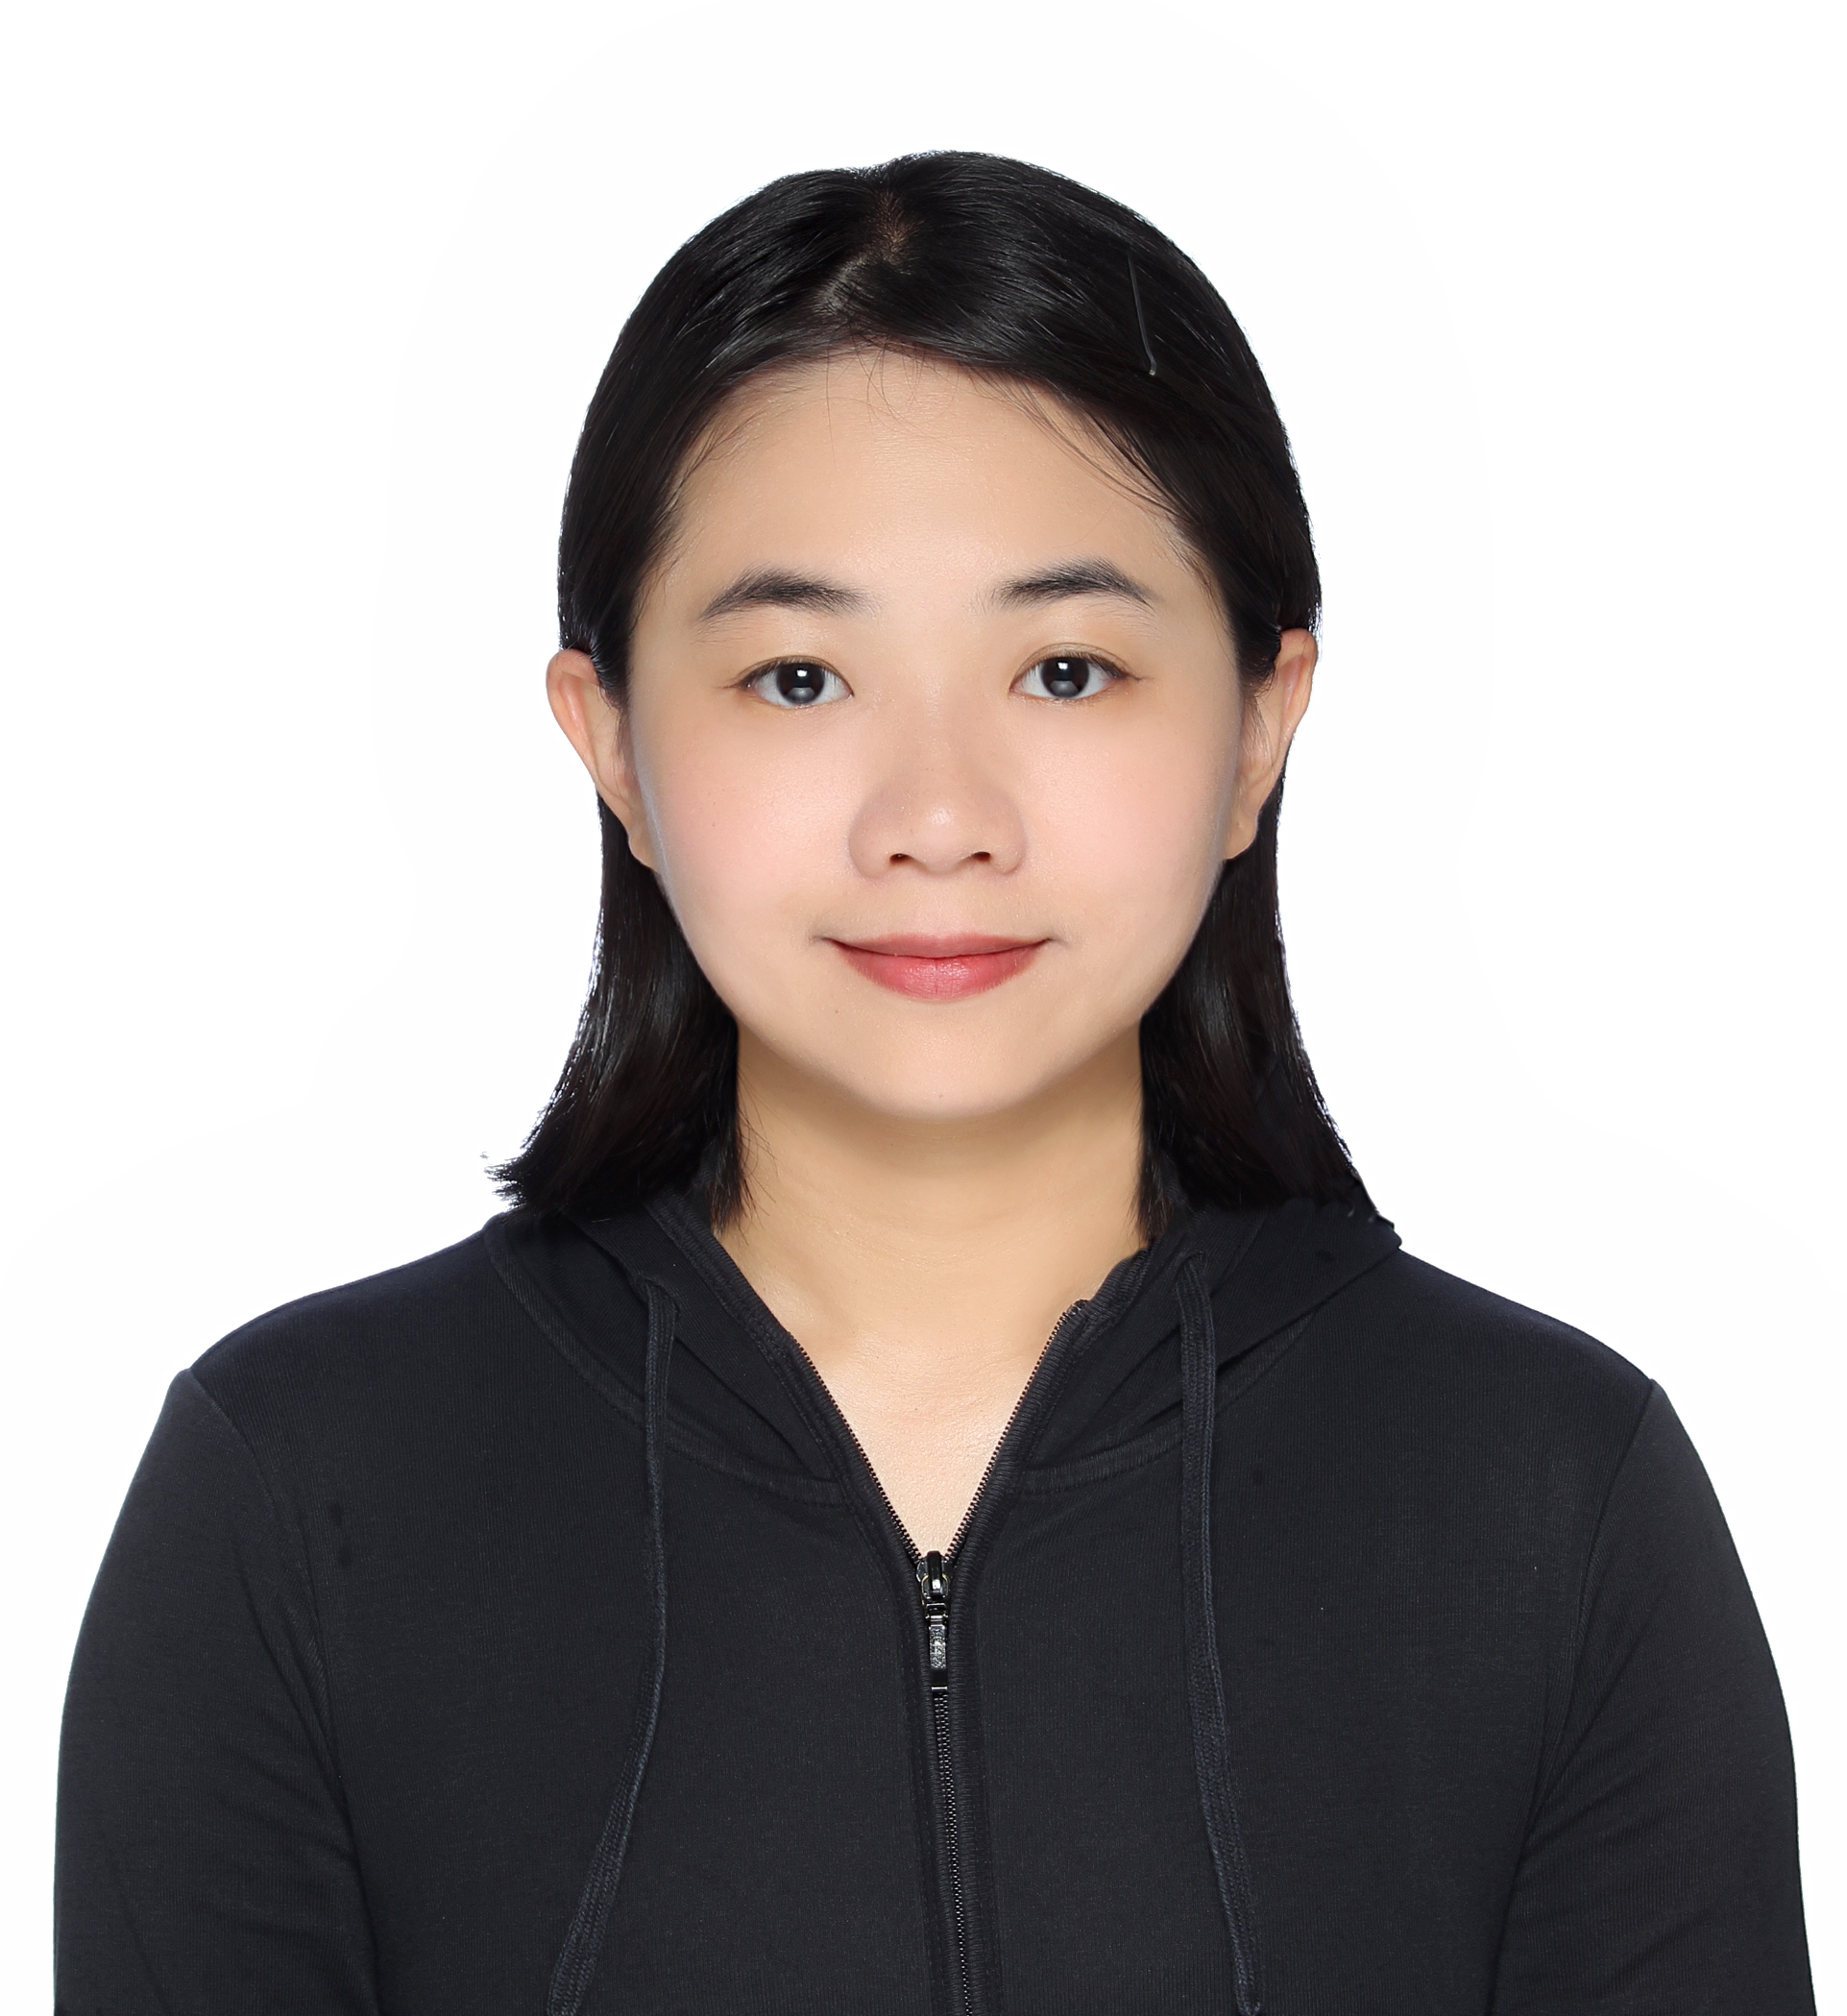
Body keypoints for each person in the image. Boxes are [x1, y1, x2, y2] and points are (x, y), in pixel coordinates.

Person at [54, 153, 1813, 2015]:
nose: (939, 818)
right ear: (613, 745)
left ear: (1257, 729)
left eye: (1064, 670)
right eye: (799, 679)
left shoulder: (1549, 1502)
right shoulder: (297, 1493)